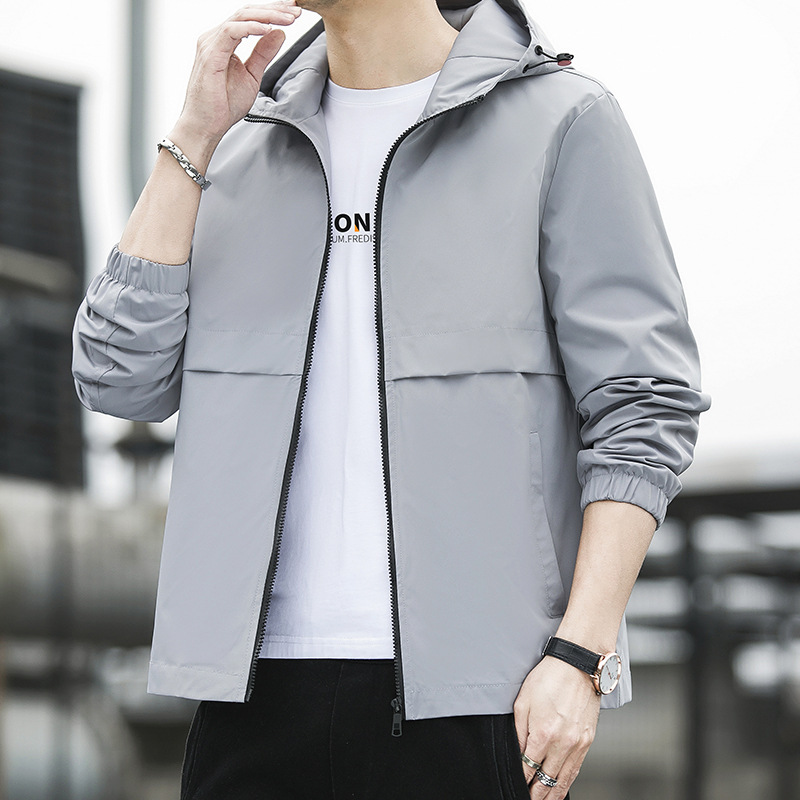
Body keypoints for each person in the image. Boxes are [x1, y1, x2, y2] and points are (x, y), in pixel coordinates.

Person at [71, 0, 711, 797]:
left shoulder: (562, 121)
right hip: (250, 700)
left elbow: (643, 408)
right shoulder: (235, 145)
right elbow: (117, 376)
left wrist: (580, 655)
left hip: (479, 701)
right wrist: (192, 140)